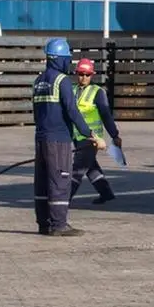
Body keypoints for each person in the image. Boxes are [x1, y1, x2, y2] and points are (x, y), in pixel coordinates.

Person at [32, 37, 105, 237]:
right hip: (58, 140)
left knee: (42, 181)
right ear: (61, 59)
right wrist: (91, 135)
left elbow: (36, 114)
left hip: (41, 138)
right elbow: (72, 111)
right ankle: (59, 224)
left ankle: (44, 223)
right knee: (60, 180)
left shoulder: (39, 81)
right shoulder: (61, 80)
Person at [69, 58, 122, 204]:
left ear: (92, 75)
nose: (84, 77)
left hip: (92, 139)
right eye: (81, 74)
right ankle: (106, 193)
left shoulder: (98, 92)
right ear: (76, 73)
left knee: (77, 170)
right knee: (91, 167)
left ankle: (63, 200)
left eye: (87, 74)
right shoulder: (71, 90)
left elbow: (106, 116)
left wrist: (115, 135)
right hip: (76, 137)